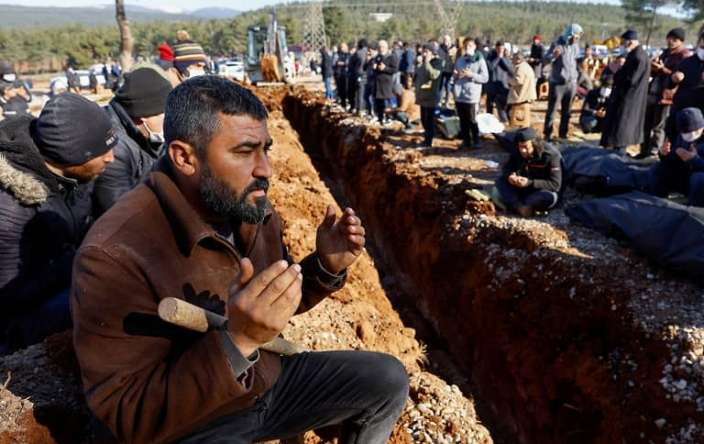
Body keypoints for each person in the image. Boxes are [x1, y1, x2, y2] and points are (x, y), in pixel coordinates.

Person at [71, 76, 408, 444]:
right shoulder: (113, 253)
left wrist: (325, 266)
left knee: (385, 379)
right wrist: (237, 342)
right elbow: (129, 416)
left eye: (266, 149)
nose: (266, 169)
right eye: (245, 151)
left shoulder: (248, 209)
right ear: (185, 157)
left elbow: (269, 306)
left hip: (265, 385)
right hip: (196, 421)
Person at [0, 93, 116, 354]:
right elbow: (7, 297)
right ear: (71, 156)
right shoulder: (10, 211)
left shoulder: (77, 177)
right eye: (102, 151)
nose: (112, 158)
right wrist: (75, 262)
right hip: (15, 325)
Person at [93, 68, 173, 216]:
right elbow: (120, 211)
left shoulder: (147, 132)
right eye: (166, 115)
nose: (170, 122)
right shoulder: (113, 148)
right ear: (144, 116)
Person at [649, 107, 704, 206]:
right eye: (684, 133)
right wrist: (665, 155)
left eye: (689, 132)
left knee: (699, 178)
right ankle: (656, 206)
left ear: (700, 128)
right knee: (658, 168)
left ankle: (693, 213)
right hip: (689, 177)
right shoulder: (683, 135)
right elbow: (676, 161)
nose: (687, 136)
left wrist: (695, 160)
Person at [640, 28, 691, 158]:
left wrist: (663, 69)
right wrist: (654, 66)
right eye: (669, 38)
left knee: (659, 126)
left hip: (667, 96)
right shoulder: (665, 53)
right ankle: (643, 150)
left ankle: (654, 153)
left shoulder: (684, 56)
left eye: (675, 40)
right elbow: (656, 70)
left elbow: (678, 76)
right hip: (653, 92)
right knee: (646, 124)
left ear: (681, 41)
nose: (671, 41)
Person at [601, 30, 651, 154]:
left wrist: (617, 73)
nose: (622, 45)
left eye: (624, 43)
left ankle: (617, 159)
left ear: (630, 42)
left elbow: (631, 80)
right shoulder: (636, 54)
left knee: (621, 133)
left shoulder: (638, 57)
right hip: (627, 98)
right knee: (619, 131)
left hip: (628, 100)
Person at [496, 127, 562, 217]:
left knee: (550, 197)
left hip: (539, 190)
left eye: (526, 147)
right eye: (520, 147)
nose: (523, 150)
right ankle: (520, 207)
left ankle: (518, 205)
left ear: (534, 144)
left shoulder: (550, 156)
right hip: (521, 189)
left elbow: (555, 184)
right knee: (500, 181)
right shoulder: (517, 151)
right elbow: (507, 168)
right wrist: (510, 176)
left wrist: (529, 183)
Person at [543, 23, 583, 141]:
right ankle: (548, 135)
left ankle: (563, 135)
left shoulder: (575, 46)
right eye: (575, 36)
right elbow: (545, 59)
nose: (577, 39)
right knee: (552, 111)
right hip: (558, 83)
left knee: (567, 111)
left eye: (578, 37)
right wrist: (553, 55)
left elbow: (575, 61)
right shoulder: (558, 44)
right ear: (570, 34)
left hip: (571, 83)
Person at [453, 38, 489, 149]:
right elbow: (454, 76)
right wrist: (456, 75)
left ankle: (476, 141)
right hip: (459, 94)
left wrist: (471, 74)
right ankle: (466, 141)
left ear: (474, 46)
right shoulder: (460, 60)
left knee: (472, 120)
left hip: (472, 96)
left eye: (469, 45)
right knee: (462, 120)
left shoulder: (479, 60)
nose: (467, 47)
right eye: (465, 45)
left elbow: (485, 78)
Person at [414, 42, 444, 148]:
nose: (424, 54)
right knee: (423, 119)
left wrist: (427, 63)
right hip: (422, 95)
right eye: (423, 52)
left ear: (432, 52)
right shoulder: (422, 62)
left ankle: (429, 141)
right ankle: (426, 139)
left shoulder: (438, 62)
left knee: (429, 120)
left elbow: (434, 75)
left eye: (426, 52)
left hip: (431, 95)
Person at [485, 40, 514, 123]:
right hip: (492, 85)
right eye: (498, 48)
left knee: (503, 107)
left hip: (503, 85)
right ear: (496, 48)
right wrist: (498, 57)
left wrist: (502, 58)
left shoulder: (507, 58)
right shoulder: (490, 57)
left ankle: (505, 121)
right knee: (489, 106)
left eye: (502, 48)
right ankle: (488, 122)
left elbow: (510, 70)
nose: (500, 50)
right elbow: (490, 68)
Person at [372, 40, 399, 125]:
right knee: (378, 102)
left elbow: (395, 70)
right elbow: (375, 67)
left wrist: (385, 68)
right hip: (377, 83)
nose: (381, 49)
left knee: (387, 102)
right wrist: (375, 67)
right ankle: (380, 118)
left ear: (386, 48)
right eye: (379, 47)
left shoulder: (391, 57)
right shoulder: (377, 57)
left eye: (383, 47)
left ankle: (389, 118)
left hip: (386, 83)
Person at [507, 52, 537, 128]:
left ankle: (516, 129)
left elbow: (518, 81)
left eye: (513, 59)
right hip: (527, 95)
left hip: (522, 96)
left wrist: (509, 81)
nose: (512, 61)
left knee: (511, 112)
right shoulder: (526, 66)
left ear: (518, 59)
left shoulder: (520, 68)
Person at [348, 39, 368, 115]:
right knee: (363, 92)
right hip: (366, 74)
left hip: (358, 74)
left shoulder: (358, 53)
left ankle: (359, 109)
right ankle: (362, 108)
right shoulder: (367, 53)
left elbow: (351, 65)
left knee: (359, 92)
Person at [438, 34, 457, 106]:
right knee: (441, 86)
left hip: (450, 70)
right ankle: (439, 101)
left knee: (448, 86)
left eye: (447, 40)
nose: (445, 41)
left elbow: (455, 59)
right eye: (444, 40)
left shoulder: (454, 49)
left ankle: (447, 101)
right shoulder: (440, 48)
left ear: (450, 40)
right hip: (442, 70)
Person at [334, 43, 350, 109]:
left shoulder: (348, 55)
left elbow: (348, 63)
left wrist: (341, 63)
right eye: (341, 47)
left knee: (346, 89)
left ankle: (347, 103)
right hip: (339, 74)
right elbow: (335, 62)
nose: (342, 49)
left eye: (343, 47)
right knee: (340, 89)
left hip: (346, 75)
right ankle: (342, 103)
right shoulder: (337, 54)